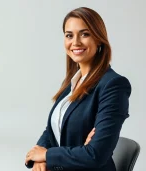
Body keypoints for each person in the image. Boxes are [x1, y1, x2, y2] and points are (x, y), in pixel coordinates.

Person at [24, 7, 131, 171]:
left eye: (85, 34)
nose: (76, 42)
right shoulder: (72, 82)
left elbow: (95, 155)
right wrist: (40, 158)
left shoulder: (113, 85)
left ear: (99, 39)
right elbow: (52, 130)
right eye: (69, 35)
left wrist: (47, 155)